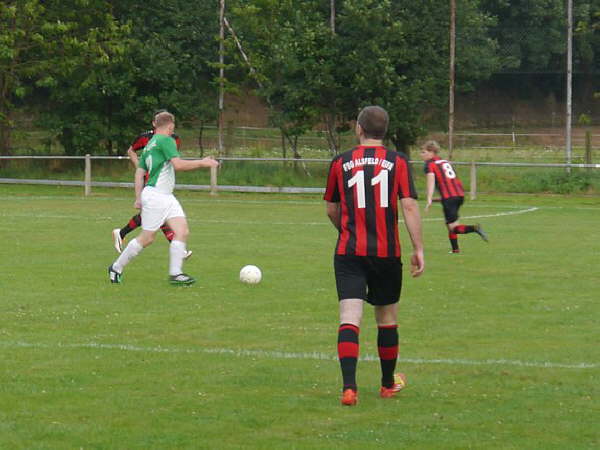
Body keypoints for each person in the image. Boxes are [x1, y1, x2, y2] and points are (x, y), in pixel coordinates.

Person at [324, 106, 425, 406]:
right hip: (386, 253)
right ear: (386, 131)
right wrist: (418, 247)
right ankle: (385, 385)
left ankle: (349, 388)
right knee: (386, 318)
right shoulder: (398, 162)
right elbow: (408, 206)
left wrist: (345, 230)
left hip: (349, 251)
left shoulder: (340, 162)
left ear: (359, 129)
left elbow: (331, 208)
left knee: (349, 317)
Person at [108, 111, 219, 286]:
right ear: (170, 126)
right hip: (156, 196)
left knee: (182, 232)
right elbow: (178, 165)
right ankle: (116, 267)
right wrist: (202, 162)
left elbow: (139, 173)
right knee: (147, 238)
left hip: (165, 196)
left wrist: (138, 197)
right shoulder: (166, 140)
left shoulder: (150, 144)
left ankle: (176, 274)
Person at [111, 110, 191, 260]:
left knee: (150, 214)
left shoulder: (173, 139)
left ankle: (121, 233)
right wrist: (140, 168)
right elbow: (131, 151)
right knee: (157, 214)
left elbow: (170, 159)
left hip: (160, 180)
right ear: (154, 123)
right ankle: (178, 248)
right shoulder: (145, 137)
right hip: (150, 182)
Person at [420, 140, 488, 253]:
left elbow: (431, 181)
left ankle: (475, 228)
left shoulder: (430, 164)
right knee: (449, 224)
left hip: (450, 198)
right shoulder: (445, 162)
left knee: (453, 228)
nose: (421, 155)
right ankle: (455, 249)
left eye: (423, 152)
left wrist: (429, 199)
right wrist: (440, 199)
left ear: (431, 152)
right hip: (459, 195)